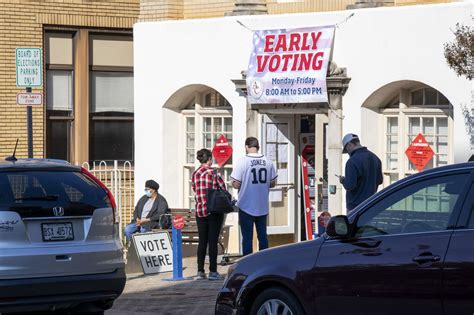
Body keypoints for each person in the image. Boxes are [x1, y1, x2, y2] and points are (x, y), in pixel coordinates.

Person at [231, 137, 277, 256]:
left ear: (246, 147)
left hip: (246, 205)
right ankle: (263, 263)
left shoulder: (242, 161)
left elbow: (236, 184)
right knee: (263, 237)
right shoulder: (268, 161)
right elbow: (273, 183)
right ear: (258, 147)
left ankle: (247, 265)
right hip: (262, 205)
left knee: (247, 238)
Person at [191, 148, 227, 281]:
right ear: (210, 159)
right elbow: (222, 189)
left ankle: (200, 271)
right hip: (213, 210)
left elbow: (195, 189)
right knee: (213, 241)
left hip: (200, 211)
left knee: (202, 241)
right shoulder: (213, 173)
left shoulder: (195, 173)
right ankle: (213, 271)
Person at [339, 133, 383, 212]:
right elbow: (380, 180)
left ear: (349, 145)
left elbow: (350, 185)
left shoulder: (352, 161)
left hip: (355, 207)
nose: (348, 153)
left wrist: (343, 180)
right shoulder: (375, 158)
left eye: (347, 150)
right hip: (371, 204)